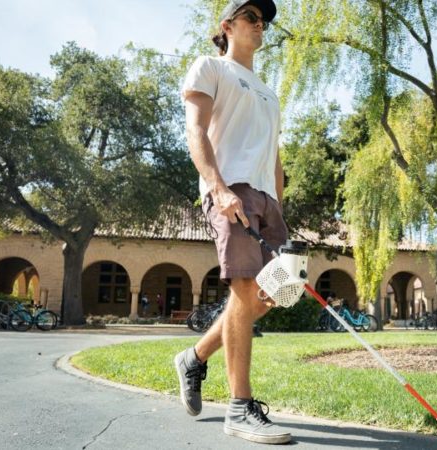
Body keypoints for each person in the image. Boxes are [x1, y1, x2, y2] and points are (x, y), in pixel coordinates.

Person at [173, 0, 289, 445]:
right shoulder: (210, 67)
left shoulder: (268, 89)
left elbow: (274, 154)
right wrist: (218, 187)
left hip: (267, 200)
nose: (261, 26)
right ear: (228, 26)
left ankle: (195, 357)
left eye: (264, 21)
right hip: (231, 191)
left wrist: (279, 206)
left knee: (273, 294)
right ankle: (240, 408)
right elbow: (196, 131)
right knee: (243, 289)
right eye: (252, 18)